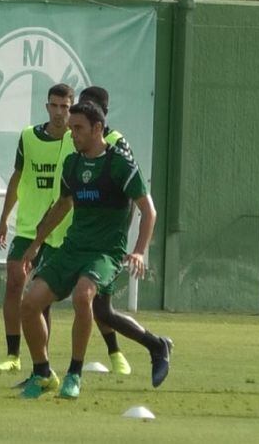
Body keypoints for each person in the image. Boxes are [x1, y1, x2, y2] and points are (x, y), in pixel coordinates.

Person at [17, 102, 157, 400]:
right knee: (29, 305)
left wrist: (140, 251)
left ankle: (74, 373)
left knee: (84, 296)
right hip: (72, 248)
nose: (73, 135)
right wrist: (36, 244)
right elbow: (62, 205)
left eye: (78, 129)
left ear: (97, 128)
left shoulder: (121, 164)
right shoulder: (72, 164)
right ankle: (42, 373)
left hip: (105, 252)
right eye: (71, 129)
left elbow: (149, 211)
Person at [77, 85, 172, 386]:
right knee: (100, 309)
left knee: (93, 305)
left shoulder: (115, 143)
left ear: (102, 115)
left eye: (89, 106)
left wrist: (126, 242)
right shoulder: (77, 139)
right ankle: (156, 346)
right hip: (83, 236)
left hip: (106, 242)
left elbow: (133, 195)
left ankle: (53, 371)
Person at [0, 84, 89, 372]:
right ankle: (13, 355)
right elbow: (17, 176)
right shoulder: (28, 137)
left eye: (65, 107)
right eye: (54, 106)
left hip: (60, 231)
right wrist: (3, 218)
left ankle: (41, 362)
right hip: (27, 226)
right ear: (46, 106)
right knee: (13, 281)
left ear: (72, 108)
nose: (59, 112)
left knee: (39, 296)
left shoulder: (78, 141)